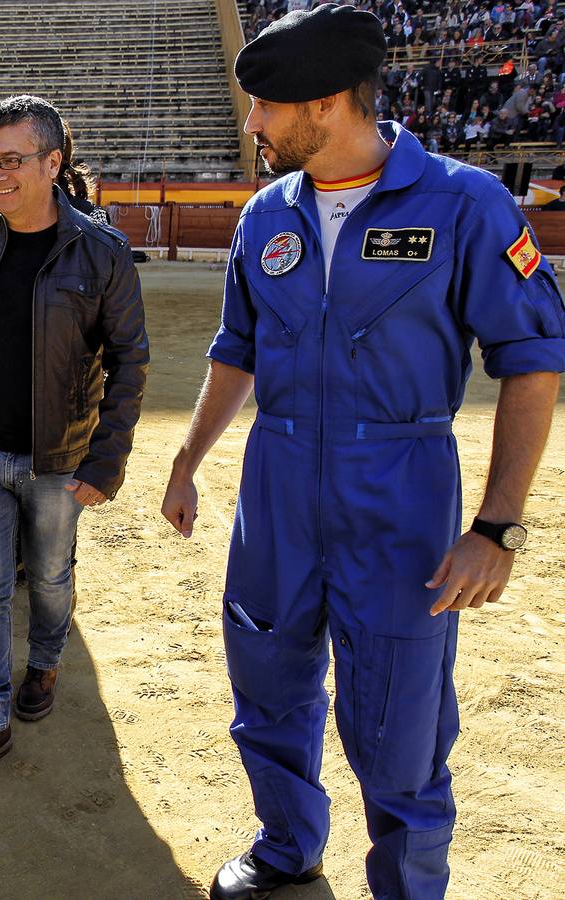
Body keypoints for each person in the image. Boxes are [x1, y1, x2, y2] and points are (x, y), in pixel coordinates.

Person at [159, 6, 565, 899]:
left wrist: (497, 526)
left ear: (332, 101)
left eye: (266, 105)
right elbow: (237, 349)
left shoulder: (464, 203)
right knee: (266, 679)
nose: (252, 123)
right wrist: (188, 461)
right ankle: (286, 843)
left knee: (401, 721)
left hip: (401, 491)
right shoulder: (269, 211)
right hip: (277, 490)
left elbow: (533, 361)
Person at [0, 96, 148, 791]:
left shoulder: (101, 250)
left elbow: (130, 359)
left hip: (60, 457)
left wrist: (106, 459)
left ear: (54, 163)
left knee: (49, 579)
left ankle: (44, 661)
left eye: (12, 160)